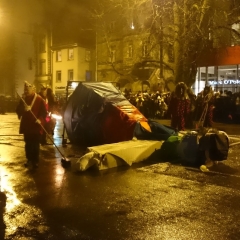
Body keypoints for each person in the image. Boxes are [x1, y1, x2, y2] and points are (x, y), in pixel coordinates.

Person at [16, 81, 47, 168]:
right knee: (28, 144)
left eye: (27, 89)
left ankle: (35, 160)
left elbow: (44, 113)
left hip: (35, 126)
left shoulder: (39, 99)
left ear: (32, 89)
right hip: (27, 126)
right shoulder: (23, 99)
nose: (26, 91)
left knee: (35, 144)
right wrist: (23, 109)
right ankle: (29, 159)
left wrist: (40, 119)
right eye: (25, 90)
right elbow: (18, 110)